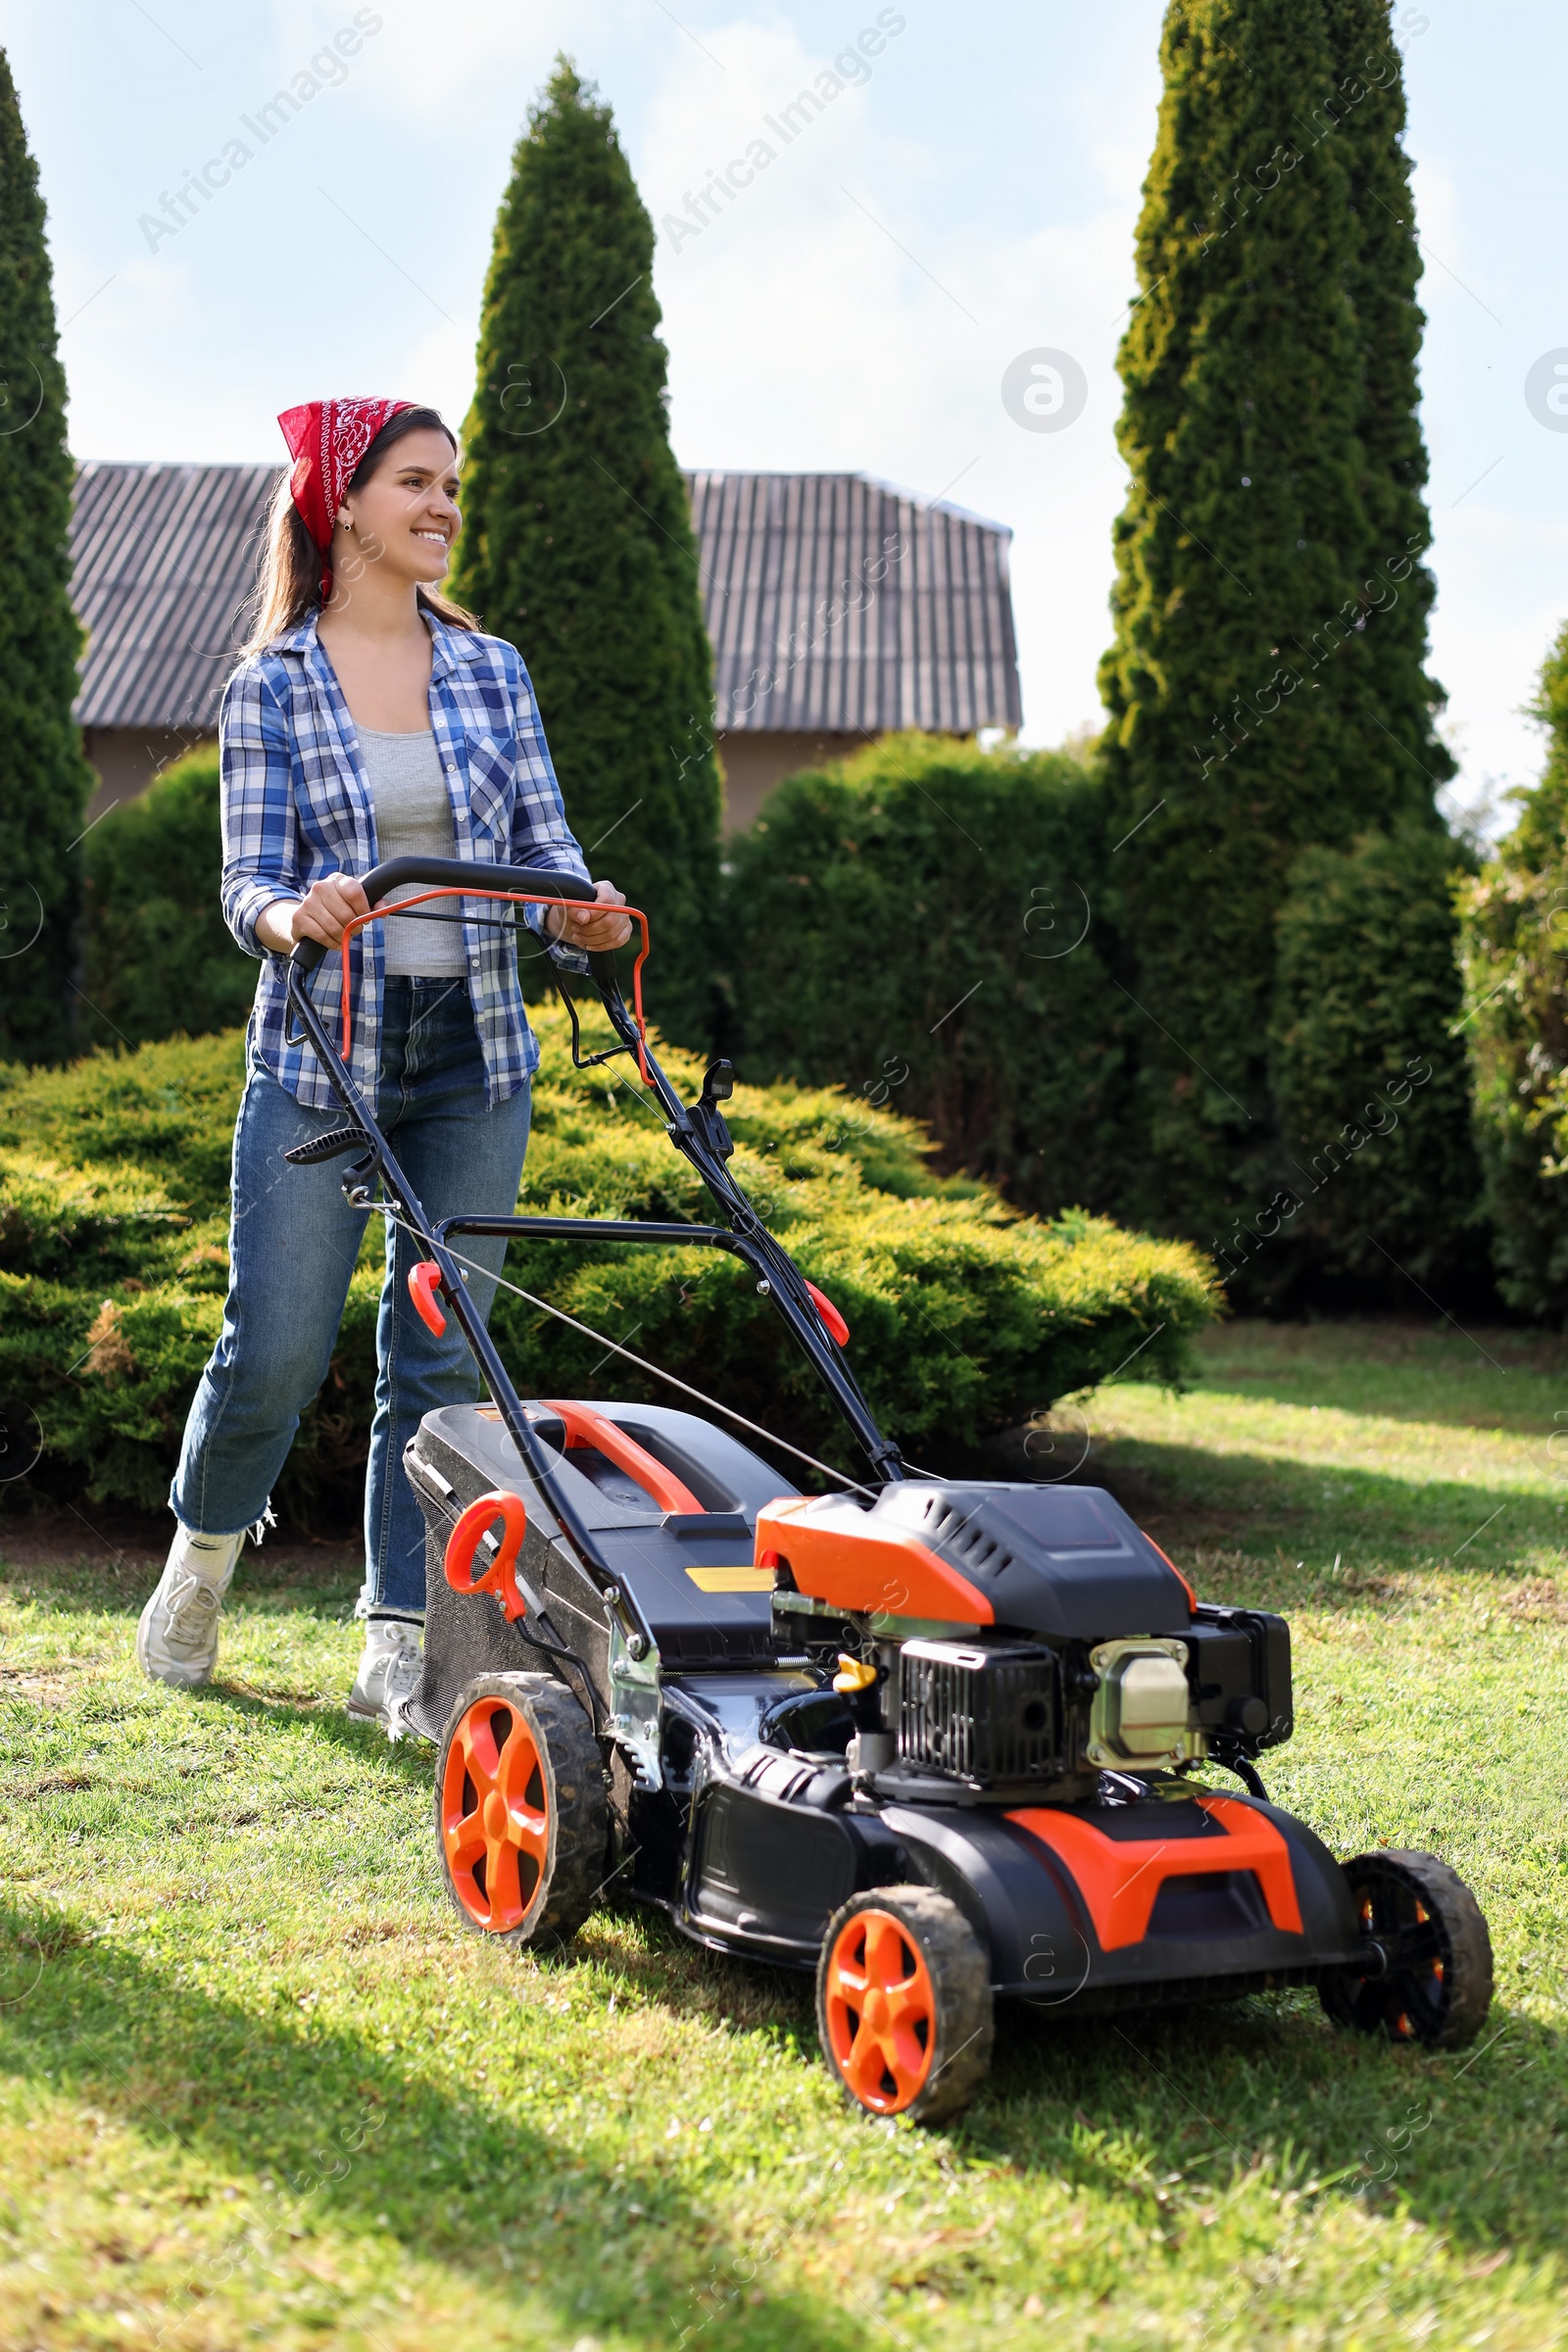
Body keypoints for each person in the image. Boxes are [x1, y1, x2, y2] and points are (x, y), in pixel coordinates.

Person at [135, 396, 631, 1728]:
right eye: (416, 483)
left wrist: (576, 908)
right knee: (276, 1347)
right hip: (322, 1060)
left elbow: (541, 848)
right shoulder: (272, 683)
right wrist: (292, 913)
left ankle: (398, 1647)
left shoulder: (492, 670)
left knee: (443, 1359)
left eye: (452, 486)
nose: (443, 508)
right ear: (343, 505)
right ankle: (199, 1561)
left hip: (474, 1053)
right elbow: (248, 876)